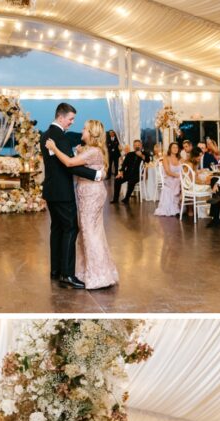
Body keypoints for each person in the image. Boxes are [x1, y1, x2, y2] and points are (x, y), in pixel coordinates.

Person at [45, 119, 118, 291]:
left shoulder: (93, 151)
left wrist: (54, 149)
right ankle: (90, 271)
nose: (82, 131)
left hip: (91, 194)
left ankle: (98, 274)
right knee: (90, 231)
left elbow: (70, 164)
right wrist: (78, 152)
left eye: (85, 129)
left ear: (92, 134)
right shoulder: (90, 150)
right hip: (88, 193)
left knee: (89, 232)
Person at [40, 102, 103, 289]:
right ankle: (67, 274)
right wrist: (95, 174)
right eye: (70, 119)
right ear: (61, 117)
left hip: (51, 191)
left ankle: (56, 269)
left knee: (57, 229)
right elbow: (69, 165)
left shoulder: (46, 135)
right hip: (62, 192)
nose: (72, 123)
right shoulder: (59, 137)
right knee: (70, 229)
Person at [112, 140, 145, 204]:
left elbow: (147, 160)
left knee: (131, 181)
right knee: (117, 179)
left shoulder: (144, 154)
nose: (137, 146)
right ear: (133, 146)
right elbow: (124, 165)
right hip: (127, 174)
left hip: (138, 175)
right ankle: (115, 199)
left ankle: (126, 199)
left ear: (141, 146)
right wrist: (121, 172)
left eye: (138, 145)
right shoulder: (130, 154)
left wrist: (141, 155)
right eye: (135, 145)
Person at [155, 142, 182, 217]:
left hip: (178, 178)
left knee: (183, 181)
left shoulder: (180, 158)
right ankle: (179, 200)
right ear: (170, 149)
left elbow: (185, 168)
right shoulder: (166, 158)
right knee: (180, 181)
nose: (175, 149)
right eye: (173, 147)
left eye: (177, 147)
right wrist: (178, 176)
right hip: (169, 178)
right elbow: (167, 171)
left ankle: (181, 202)